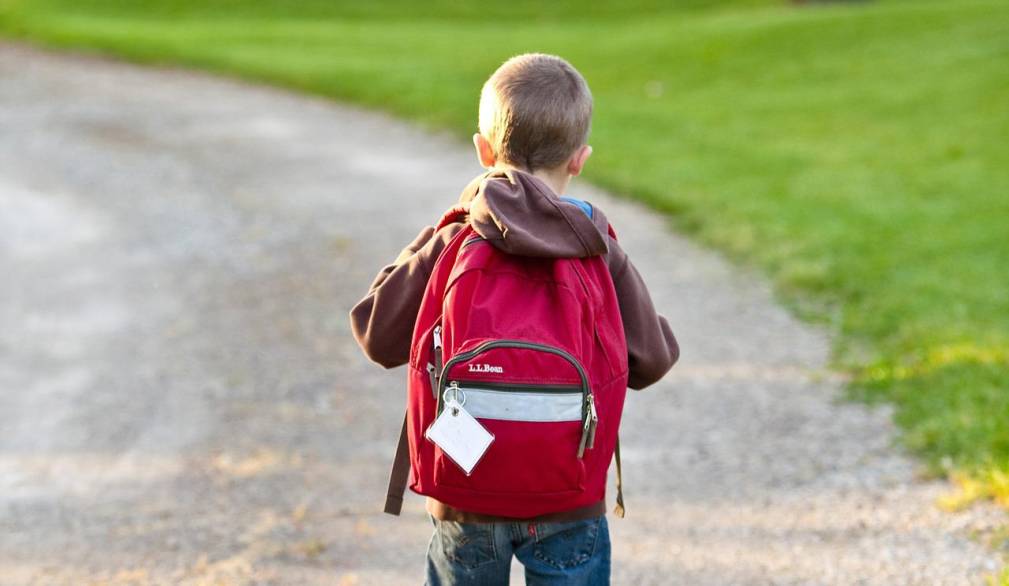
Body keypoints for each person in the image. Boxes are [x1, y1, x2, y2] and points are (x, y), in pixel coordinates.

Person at [349, 52, 679, 586]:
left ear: (482, 150)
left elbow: (374, 333)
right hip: (569, 499)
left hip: (466, 497)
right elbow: (652, 362)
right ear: (580, 158)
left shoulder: (457, 238)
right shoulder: (596, 245)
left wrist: (437, 233)